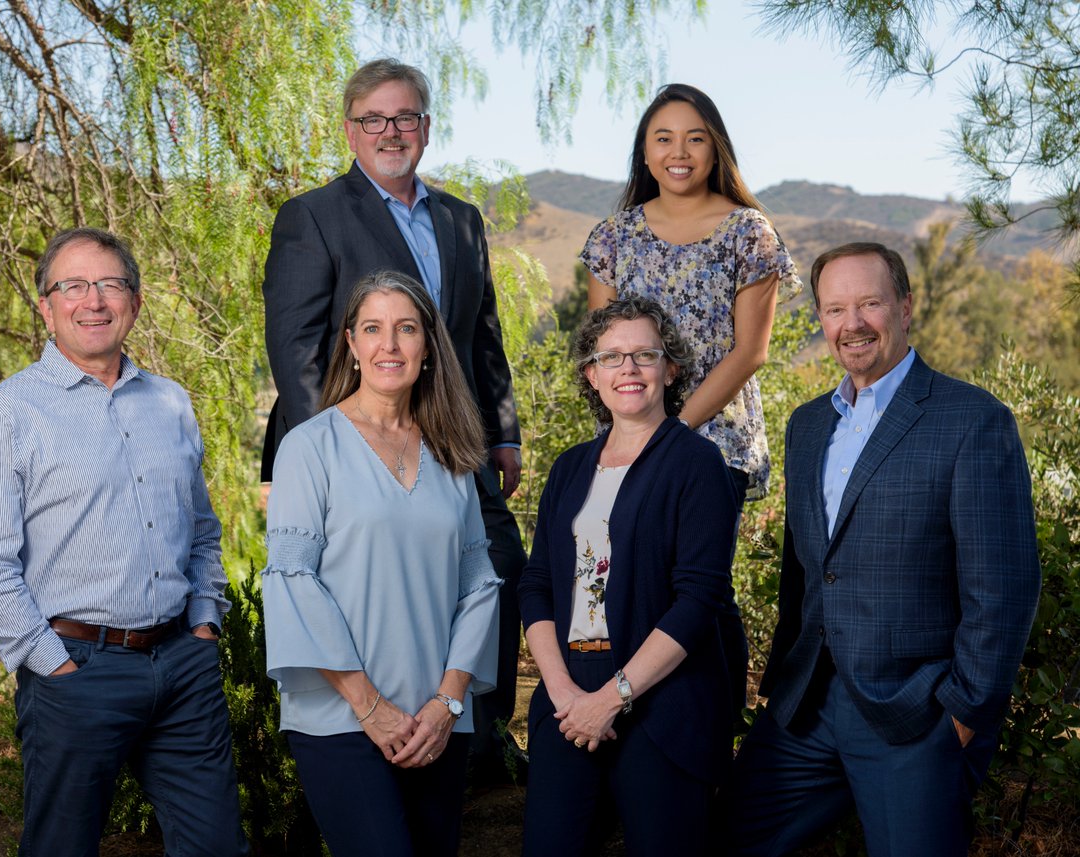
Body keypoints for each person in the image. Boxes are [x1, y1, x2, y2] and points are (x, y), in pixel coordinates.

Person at [718, 243, 1041, 856]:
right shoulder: (808, 425)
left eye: (870, 303)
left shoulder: (971, 420)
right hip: (807, 706)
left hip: (915, 712)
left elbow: (1004, 586)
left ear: (905, 307)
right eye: (835, 309)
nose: (853, 323)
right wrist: (784, 678)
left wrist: (964, 713)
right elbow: (803, 569)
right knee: (728, 837)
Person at [261, 57, 525, 779]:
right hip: (355, 446)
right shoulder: (313, 216)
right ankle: (367, 726)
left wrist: (502, 432)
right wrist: (340, 453)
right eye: (373, 118)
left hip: (454, 440)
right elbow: (296, 348)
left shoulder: (460, 220)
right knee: (358, 590)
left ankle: (476, 738)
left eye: (404, 117)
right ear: (350, 130)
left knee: (499, 569)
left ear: (425, 128)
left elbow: (482, 336)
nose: (390, 131)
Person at [0, 227, 246, 856]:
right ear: (46, 306)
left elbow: (201, 529)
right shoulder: (2, 416)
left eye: (111, 284)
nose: (94, 301)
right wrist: (53, 665)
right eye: (74, 286)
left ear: (135, 301)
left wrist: (203, 622)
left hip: (183, 665)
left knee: (217, 846)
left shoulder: (171, 403)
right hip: (77, 670)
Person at [262, 271, 501, 856]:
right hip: (341, 718)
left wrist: (448, 702)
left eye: (406, 329)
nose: (389, 345)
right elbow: (293, 583)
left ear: (428, 345)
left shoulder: (452, 450)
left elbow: (478, 585)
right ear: (350, 343)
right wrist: (370, 707)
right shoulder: (309, 446)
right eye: (372, 328)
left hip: (437, 721)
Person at [518, 296, 744, 856]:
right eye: (611, 357)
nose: (629, 369)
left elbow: (698, 601)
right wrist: (563, 690)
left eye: (645, 354)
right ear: (591, 374)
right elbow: (537, 584)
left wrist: (613, 697)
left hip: (662, 703)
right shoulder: (570, 467)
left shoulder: (697, 464)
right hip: (568, 697)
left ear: (671, 369)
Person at [583, 83, 801, 509]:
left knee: (696, 555)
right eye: (664, 139)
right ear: (645, 153)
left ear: (716, 150)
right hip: (628, 442)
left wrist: (673, 433)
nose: (679, 153)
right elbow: (604, 353)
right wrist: (637, 437)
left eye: (695, 139)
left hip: (716, 443)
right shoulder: (612, 237)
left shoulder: (748, 232)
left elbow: (750, 352)